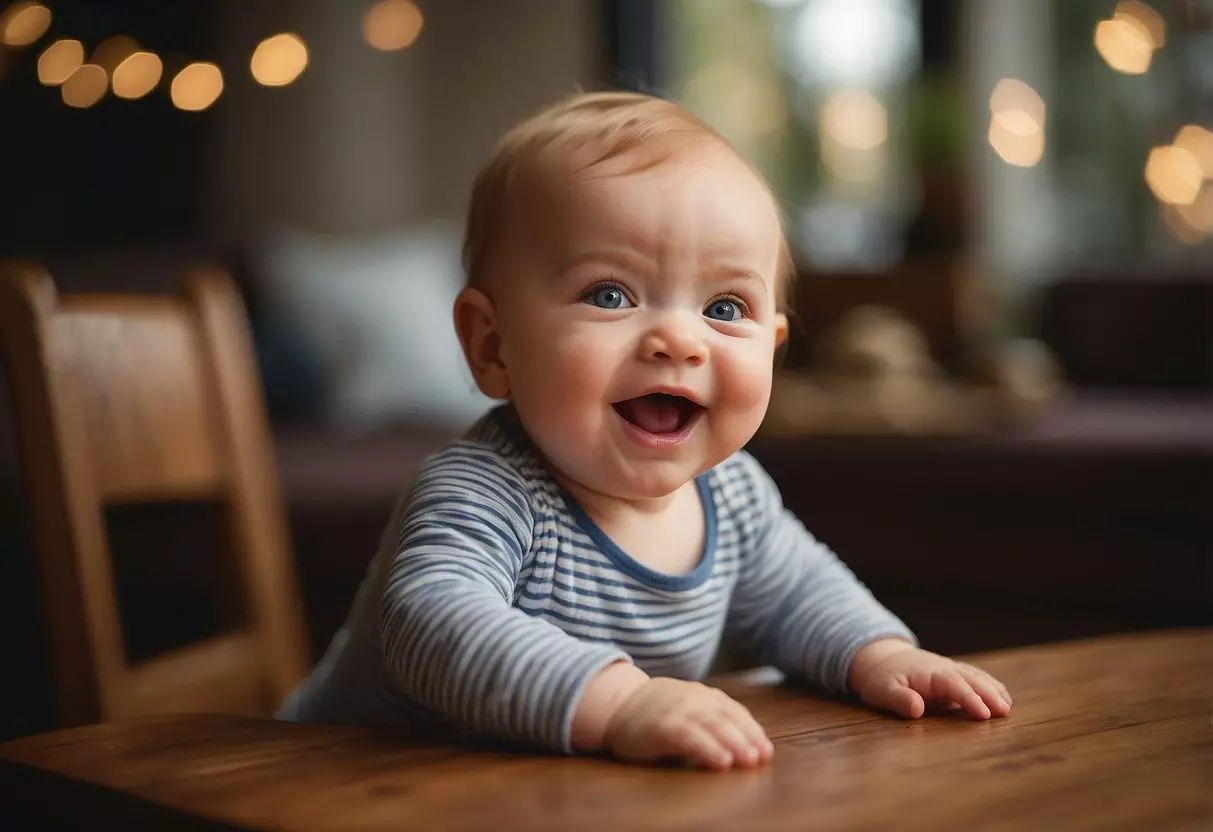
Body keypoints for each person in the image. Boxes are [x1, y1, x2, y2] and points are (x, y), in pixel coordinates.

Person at [277, 91, 1012, 770]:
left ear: (775, 346)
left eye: (724, 307)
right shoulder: (488, 488)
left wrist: (878, 655)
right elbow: (430, 621)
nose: (678, 341)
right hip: (336, 787)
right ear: (492, 347)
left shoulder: (732, 494)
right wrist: (620, 701)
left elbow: (798, 595)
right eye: (610, 294)